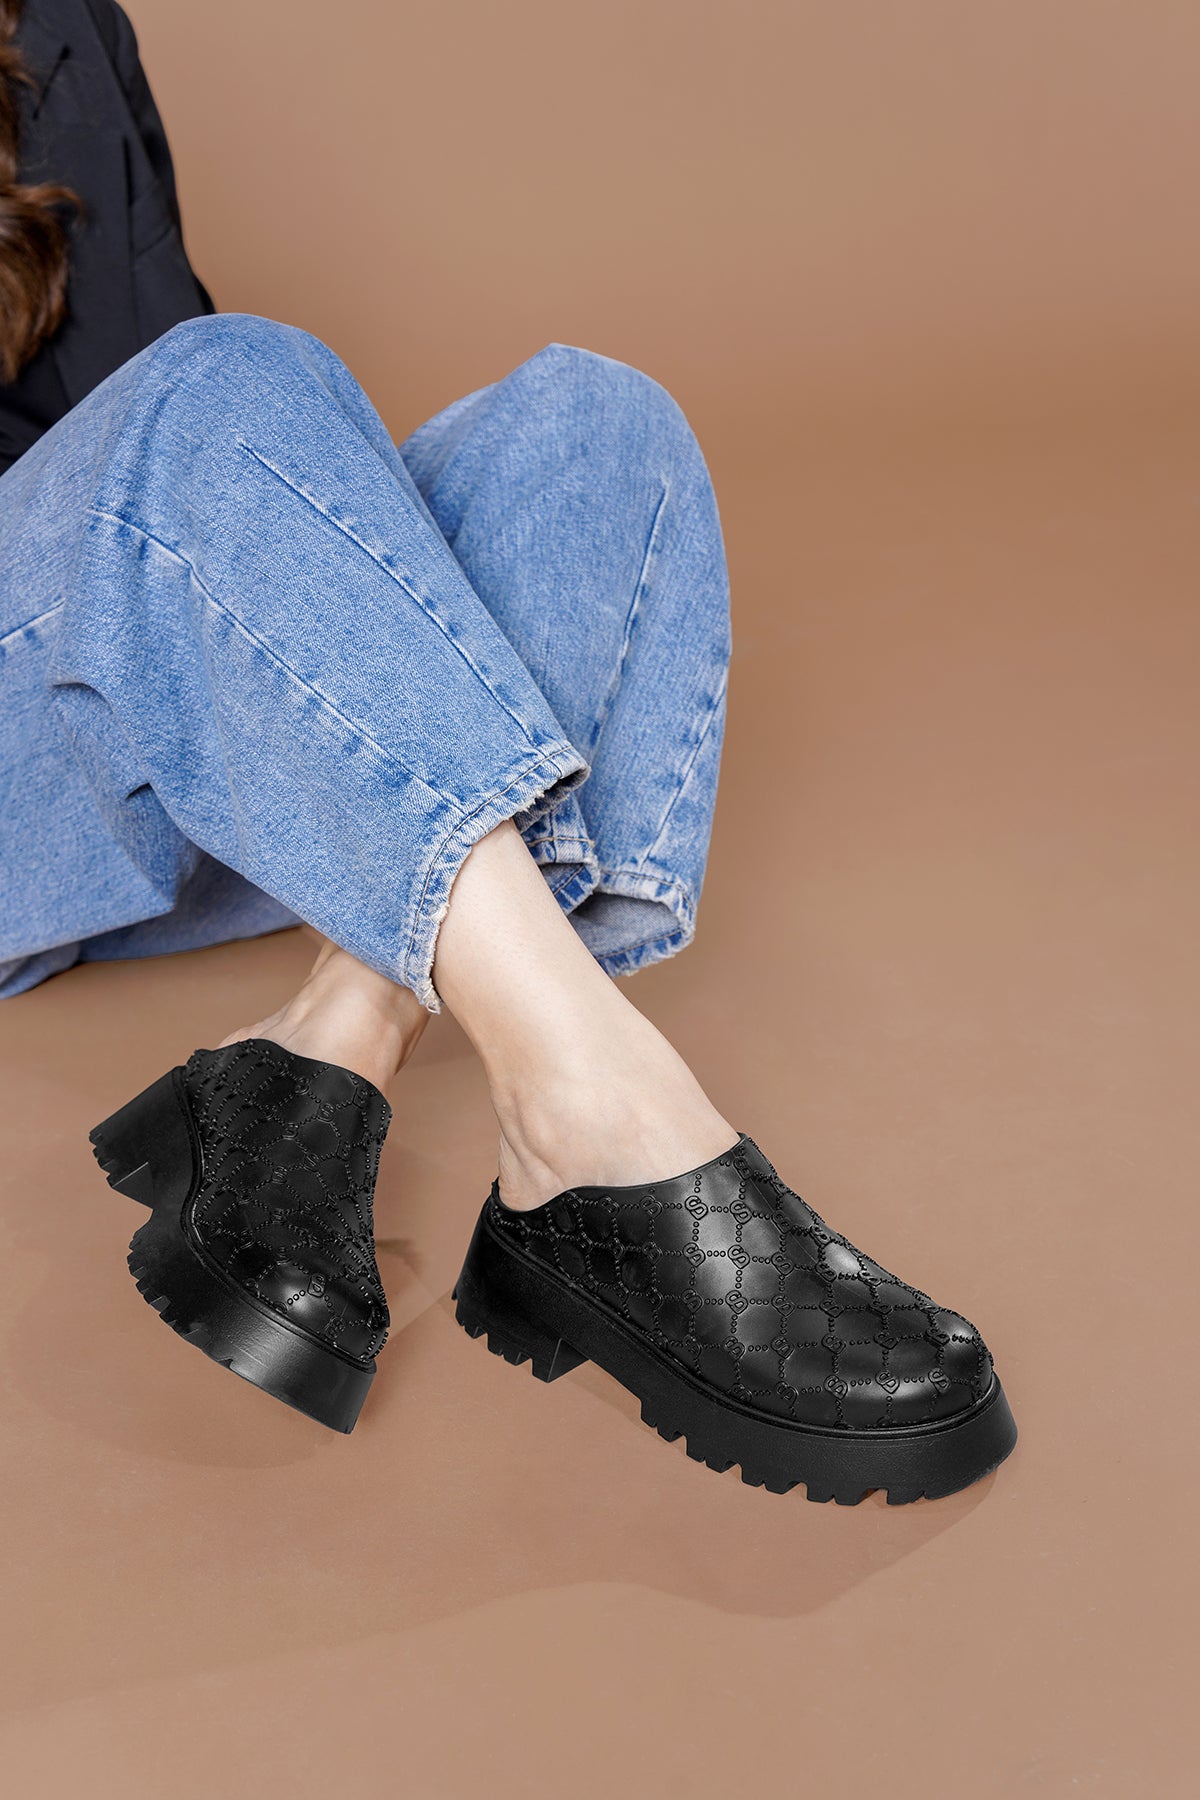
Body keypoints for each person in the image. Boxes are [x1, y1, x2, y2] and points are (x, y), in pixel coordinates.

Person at [0, 0, 1015, 1500]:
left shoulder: (53, 24)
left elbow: (156, 436)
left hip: (124, 745)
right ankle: (592, 1112)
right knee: (225, 380)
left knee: (588, 431)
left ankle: (328, 1050)